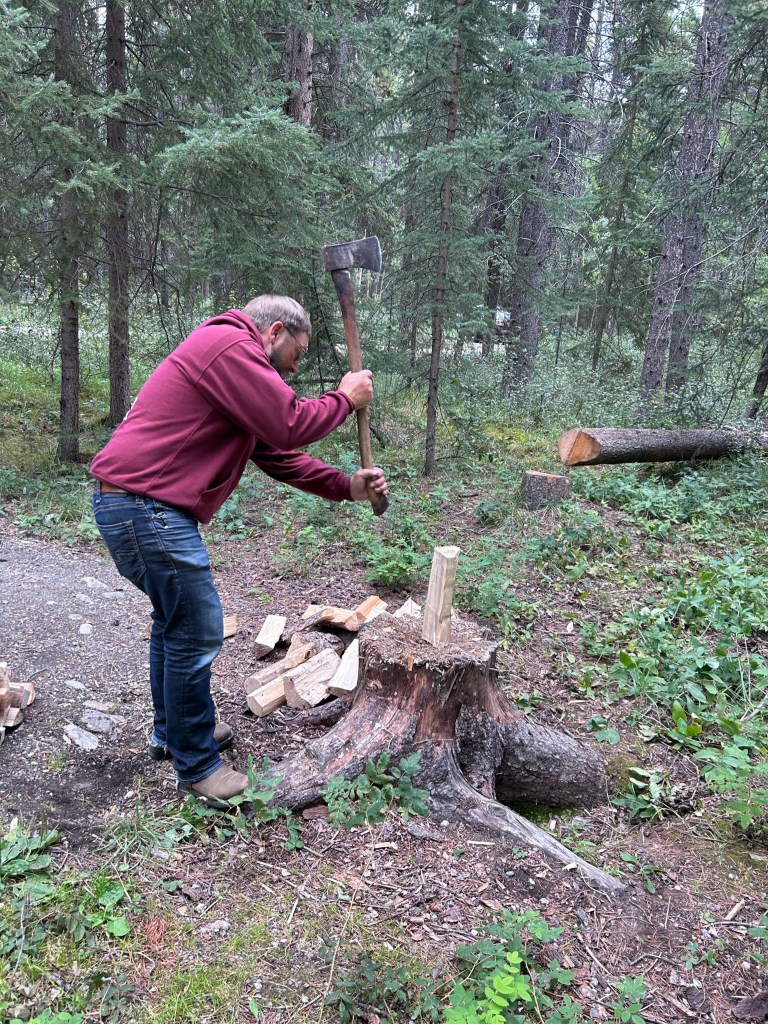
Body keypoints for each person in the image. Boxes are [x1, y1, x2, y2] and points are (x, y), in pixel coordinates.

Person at [90, 295, 388, 810]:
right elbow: (289, 422)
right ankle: (198, 768)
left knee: (176, 623)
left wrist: (346, 486)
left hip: (139, 506)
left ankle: (173, 733)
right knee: (197, 629)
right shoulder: (228, 344)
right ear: (274, 332)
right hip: (145, 506)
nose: (295, 368)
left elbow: (280, 454)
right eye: (297, 353)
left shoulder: (234, 373)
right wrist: (344, 398)